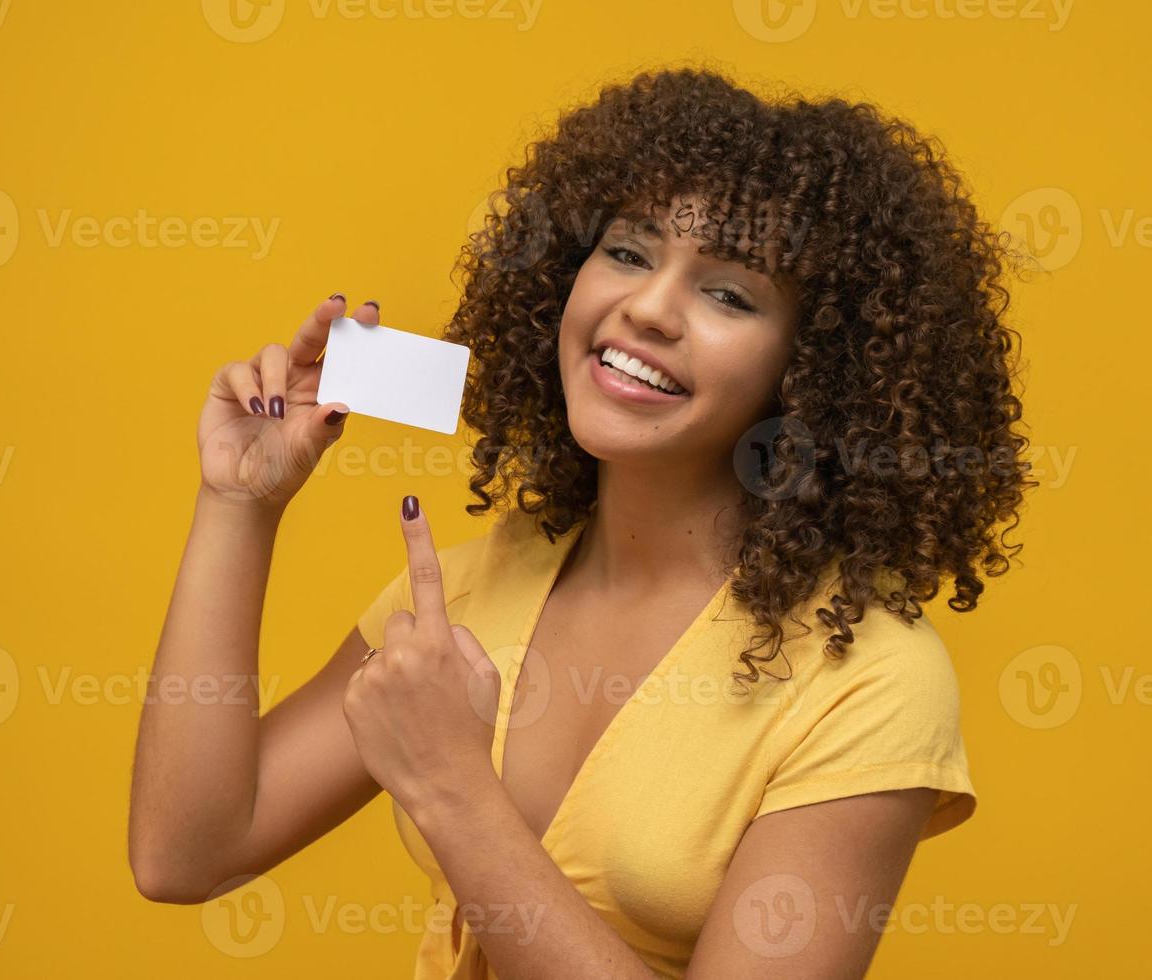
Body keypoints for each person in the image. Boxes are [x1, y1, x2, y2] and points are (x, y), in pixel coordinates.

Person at [128, 65, 1033, 979]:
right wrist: (238, 506)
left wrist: (452, 788)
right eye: (631, 253)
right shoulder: (481, 586)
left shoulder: (870, 682)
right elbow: (188, 854)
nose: (645, 307)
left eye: (729, 294)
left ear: (815, 374)